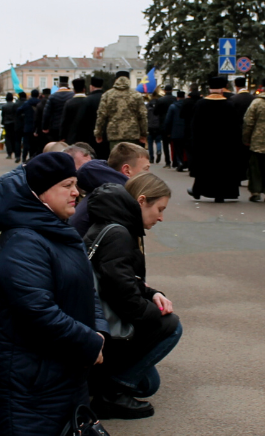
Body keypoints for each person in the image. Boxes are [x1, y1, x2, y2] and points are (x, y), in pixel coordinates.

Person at [0, 153, 109, 436]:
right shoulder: (24, 242)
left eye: (75, 184)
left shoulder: (55, 230)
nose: (76, 192)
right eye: (66, 185)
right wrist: (89, 342)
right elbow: (37, 311)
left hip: (60, 372)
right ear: (39, 194)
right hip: (28, 386)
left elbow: (86, 288)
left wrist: (98, 331)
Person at [83, 173, 180, 419]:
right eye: (159, 209)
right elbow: (124, 297)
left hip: (98, 320)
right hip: (107, 328)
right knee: (172, 326)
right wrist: (155, 314)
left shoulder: (111, 224)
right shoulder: (120, 234)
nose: (161, 217)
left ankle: (104, 383)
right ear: (141, 201)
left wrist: (153, 293)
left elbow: (123, 279)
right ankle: (110, 395)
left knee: (148, 385)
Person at [187, 76, 244, 203]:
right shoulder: (229, 105)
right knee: (223, 170)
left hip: (205, 144)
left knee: (204, 169)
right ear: (222, 89)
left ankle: (198, 191)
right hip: (224, 145)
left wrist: (194, 143)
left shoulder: (200, 104)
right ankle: (221, 194)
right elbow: (236, 127)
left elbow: (194, 126)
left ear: (209, 89)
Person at [95, 70, 148, 150]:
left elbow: (101, 116)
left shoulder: (107, 95)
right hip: (132, 134)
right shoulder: (136, 95)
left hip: (114, 133)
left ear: (116, 80)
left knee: (116, 156)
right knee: (131, 156)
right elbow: (142, 115)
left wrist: (98, 133)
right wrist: (144, 134)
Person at [77, 77, 108, 159]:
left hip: (90, 136)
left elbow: (81, 120)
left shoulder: (87, 100)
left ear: (91, 86)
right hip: (106, 135)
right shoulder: (107, 98)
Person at [162, 90, 187, 171]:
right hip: (186, 130)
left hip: (175, 131)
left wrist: (167, 131)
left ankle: (179, 162)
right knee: (185, 148)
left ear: (177, 97)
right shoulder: (187, 106)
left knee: (177, 148)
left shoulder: (173, 106)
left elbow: (168, 120)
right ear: (184, 97)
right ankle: (186, 162)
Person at [60, 79, 89, 146]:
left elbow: (64, 121)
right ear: (84, 89)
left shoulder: (69, 103)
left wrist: (62, 136)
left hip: (72, 136)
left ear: (74, 91)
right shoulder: (89, 101)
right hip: (87, 136)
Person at [17, 89, 41, 162]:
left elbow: (18, 111)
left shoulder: (26, 103)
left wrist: (23, 116)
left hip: (27, 126)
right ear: (38, 95)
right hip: (37, 128)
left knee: (26, 144)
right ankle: (34, 157)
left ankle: (24, 158)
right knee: (36, 144)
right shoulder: (40, 103)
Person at [3, 92, 22, 162]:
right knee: (14, 137)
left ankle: (9, 153)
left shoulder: (4, 106)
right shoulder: (14, 105)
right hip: (14, 123)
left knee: (8, 138)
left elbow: (3, 116)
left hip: (7, 123)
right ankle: (15, 151)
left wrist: (3, 123)